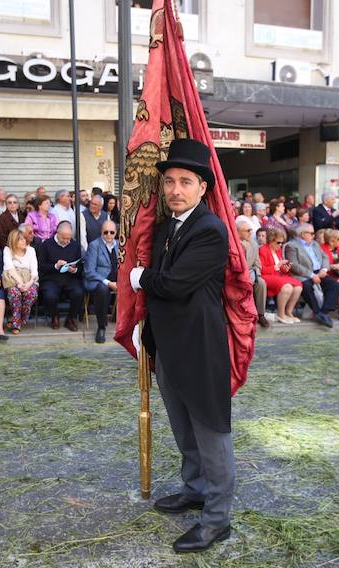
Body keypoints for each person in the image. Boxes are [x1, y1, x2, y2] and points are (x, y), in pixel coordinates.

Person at [127, 138, 234, 554]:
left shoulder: (209, 229)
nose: (175, 189)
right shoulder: (163, 226)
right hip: (166, 344)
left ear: (202, 187)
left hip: (200, 346)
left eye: (185, 181)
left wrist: (139, 277)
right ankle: (195, 488)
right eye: (169, 181)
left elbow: (172, 284)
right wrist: (144, 325)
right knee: (182, 427)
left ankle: (217, 519)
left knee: (211, 431)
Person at [285, 223, 339, 328]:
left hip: (319, 272)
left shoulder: (314, 243)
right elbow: (294, 265)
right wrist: (311, 275)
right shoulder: (291, 246)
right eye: (311, 233)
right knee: (306, 286)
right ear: (302, 234)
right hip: (303, 274)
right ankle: (317, 311)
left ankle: (323, 312)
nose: (313, 235)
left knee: (335, 285)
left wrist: (324, 269)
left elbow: (325, 257)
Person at [37, 220, 84, 331]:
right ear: (57, 234)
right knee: (49, 295)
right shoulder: (46, 245)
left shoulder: (75, 245)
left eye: (69, 238)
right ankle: (55, 316)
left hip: (70, 278)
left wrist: (74, 270)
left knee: (79, 292)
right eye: (64, 238)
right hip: (51, 279)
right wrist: (55, 266)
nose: (67, 241)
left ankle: (71, 319)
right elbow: (41, 267)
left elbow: (80, 267)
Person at [83, 219, 119, 343]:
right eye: (106, 232)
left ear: (116, 233)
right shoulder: (94, 245)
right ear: (101, 232)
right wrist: (108, 282)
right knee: (103, 290)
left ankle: (128, 323)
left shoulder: (119, 245)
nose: (109, 235)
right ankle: (101, 327)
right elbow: (89, 271)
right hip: (99, 280)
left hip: (117, 278)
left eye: (112, 232)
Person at [259, 228, 303, 324]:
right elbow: (261, 269)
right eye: (278, 242)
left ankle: (288, 312)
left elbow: (280, 269)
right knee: (287, 287)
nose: (280, 245)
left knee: (298, 286)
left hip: (276, 276)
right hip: (265, 276)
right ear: (271, 241)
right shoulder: (262, 250)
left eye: (282, 243)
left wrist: (285, 268)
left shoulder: (278, 251)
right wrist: (277, 266)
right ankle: (281, 314)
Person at [2, 228, 39, 334]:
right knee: (14, 293)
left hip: (28, 279)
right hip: (13, 279)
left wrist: (28, 284)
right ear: (14, 241)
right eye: (21, 240)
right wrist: (20, 283)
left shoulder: (31, 250)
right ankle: (16, 323)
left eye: (24, 239)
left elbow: (34, 271)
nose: (24, 241)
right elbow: (9, 268)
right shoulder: (7, 250)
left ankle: (17, 318)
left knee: (31, 293)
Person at [236, 216, 268, 328]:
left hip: (251, 273)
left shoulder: (253, 244)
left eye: (250, 230)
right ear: (238, 231)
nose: (251, 232)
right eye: (247, 230)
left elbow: (257, 263)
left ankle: (261, 314)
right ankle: (242, 315)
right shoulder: (233, 244)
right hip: (236, 275)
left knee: (261, 283)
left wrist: (256, 274)